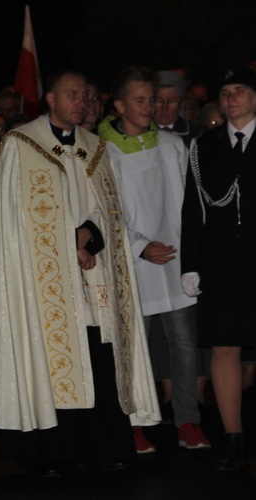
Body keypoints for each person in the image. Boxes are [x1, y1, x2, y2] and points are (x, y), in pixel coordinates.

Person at [0, 69, 160, 478]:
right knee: (51, 353)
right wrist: (65, 241)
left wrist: (88, 238)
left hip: (90, 274)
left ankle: (104, 444)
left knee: (97, 353)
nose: (81, 102)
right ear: (50, 99)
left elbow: (109, 211)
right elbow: (14, 219)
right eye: (72, 95)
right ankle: (51, 450)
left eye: (85, 95)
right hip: (43, 280)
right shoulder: (21, 144)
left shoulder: (95, 148)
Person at [98, 65, 210, 454]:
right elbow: (104, 213)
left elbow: (188, 206)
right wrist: (139, 246)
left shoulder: (172, 144)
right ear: (118, 105)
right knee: (136, 347)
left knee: (184, 343)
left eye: (153, 100)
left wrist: (191, 255)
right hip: (135, 265)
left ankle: (188, 421)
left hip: (175, 259)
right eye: (141, 100)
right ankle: (135, 423)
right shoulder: (104, 152)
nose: (150, 107)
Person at [180, 66, 256, 471]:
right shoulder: (204, 146)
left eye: (240, 90)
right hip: (222, 263)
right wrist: (190, 265)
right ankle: (234, 438)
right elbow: (193, 211)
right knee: (224, 348)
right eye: (226, 92)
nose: (231, 98)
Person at [155, 70, 207, 146]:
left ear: (181, 103)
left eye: (172, 101)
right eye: (159, 101)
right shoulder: (139, 132)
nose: (165, 108)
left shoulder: (199, 135)